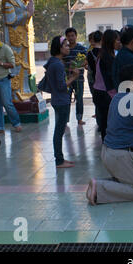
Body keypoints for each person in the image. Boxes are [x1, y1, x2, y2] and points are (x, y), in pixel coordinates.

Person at [86, 64, 133, 205]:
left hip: (109, 152)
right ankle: (99, 187)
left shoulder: (117, 98)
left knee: (126, 182)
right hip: (122, 155)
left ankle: (97, 185)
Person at [44, 36, 80, 168]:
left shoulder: (53, 62)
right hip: (61, 100)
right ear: (59, 48)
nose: (68, 47)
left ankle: (60, 159)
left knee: (59, 130)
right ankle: (59, 160)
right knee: (59, 131)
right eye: (65, 45)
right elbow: (61, 86)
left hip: (57, 99)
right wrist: (74, 77)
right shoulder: (58, 64)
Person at [94, 29, 120, 140]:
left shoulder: (105, 54)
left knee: (105, 123)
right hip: (105, 94)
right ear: (111, 41)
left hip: (100, 92)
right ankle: (108, 147)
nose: (119, 42)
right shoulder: (107, 57)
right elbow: (110, 79)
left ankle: (107, 146)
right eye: (117, 40)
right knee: (107, 123)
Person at [64, 27, 87, 125]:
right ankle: (65, 120)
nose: (71, 38)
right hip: (67, 79)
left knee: (79, 99)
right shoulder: (65, 49)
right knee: (66, 100)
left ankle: (79, 119)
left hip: (79, 78)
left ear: (76, 36)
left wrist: (77, 65)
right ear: (66, 37)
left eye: (72, 35)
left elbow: (86, 61)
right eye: (69, 36)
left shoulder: (81, 49)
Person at [86, 31, 102, 123]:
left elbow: (91, 67)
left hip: (94, 80)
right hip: (101, 81)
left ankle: (99, 122)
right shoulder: (106, 52)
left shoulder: (90, 53)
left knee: (97, 100)